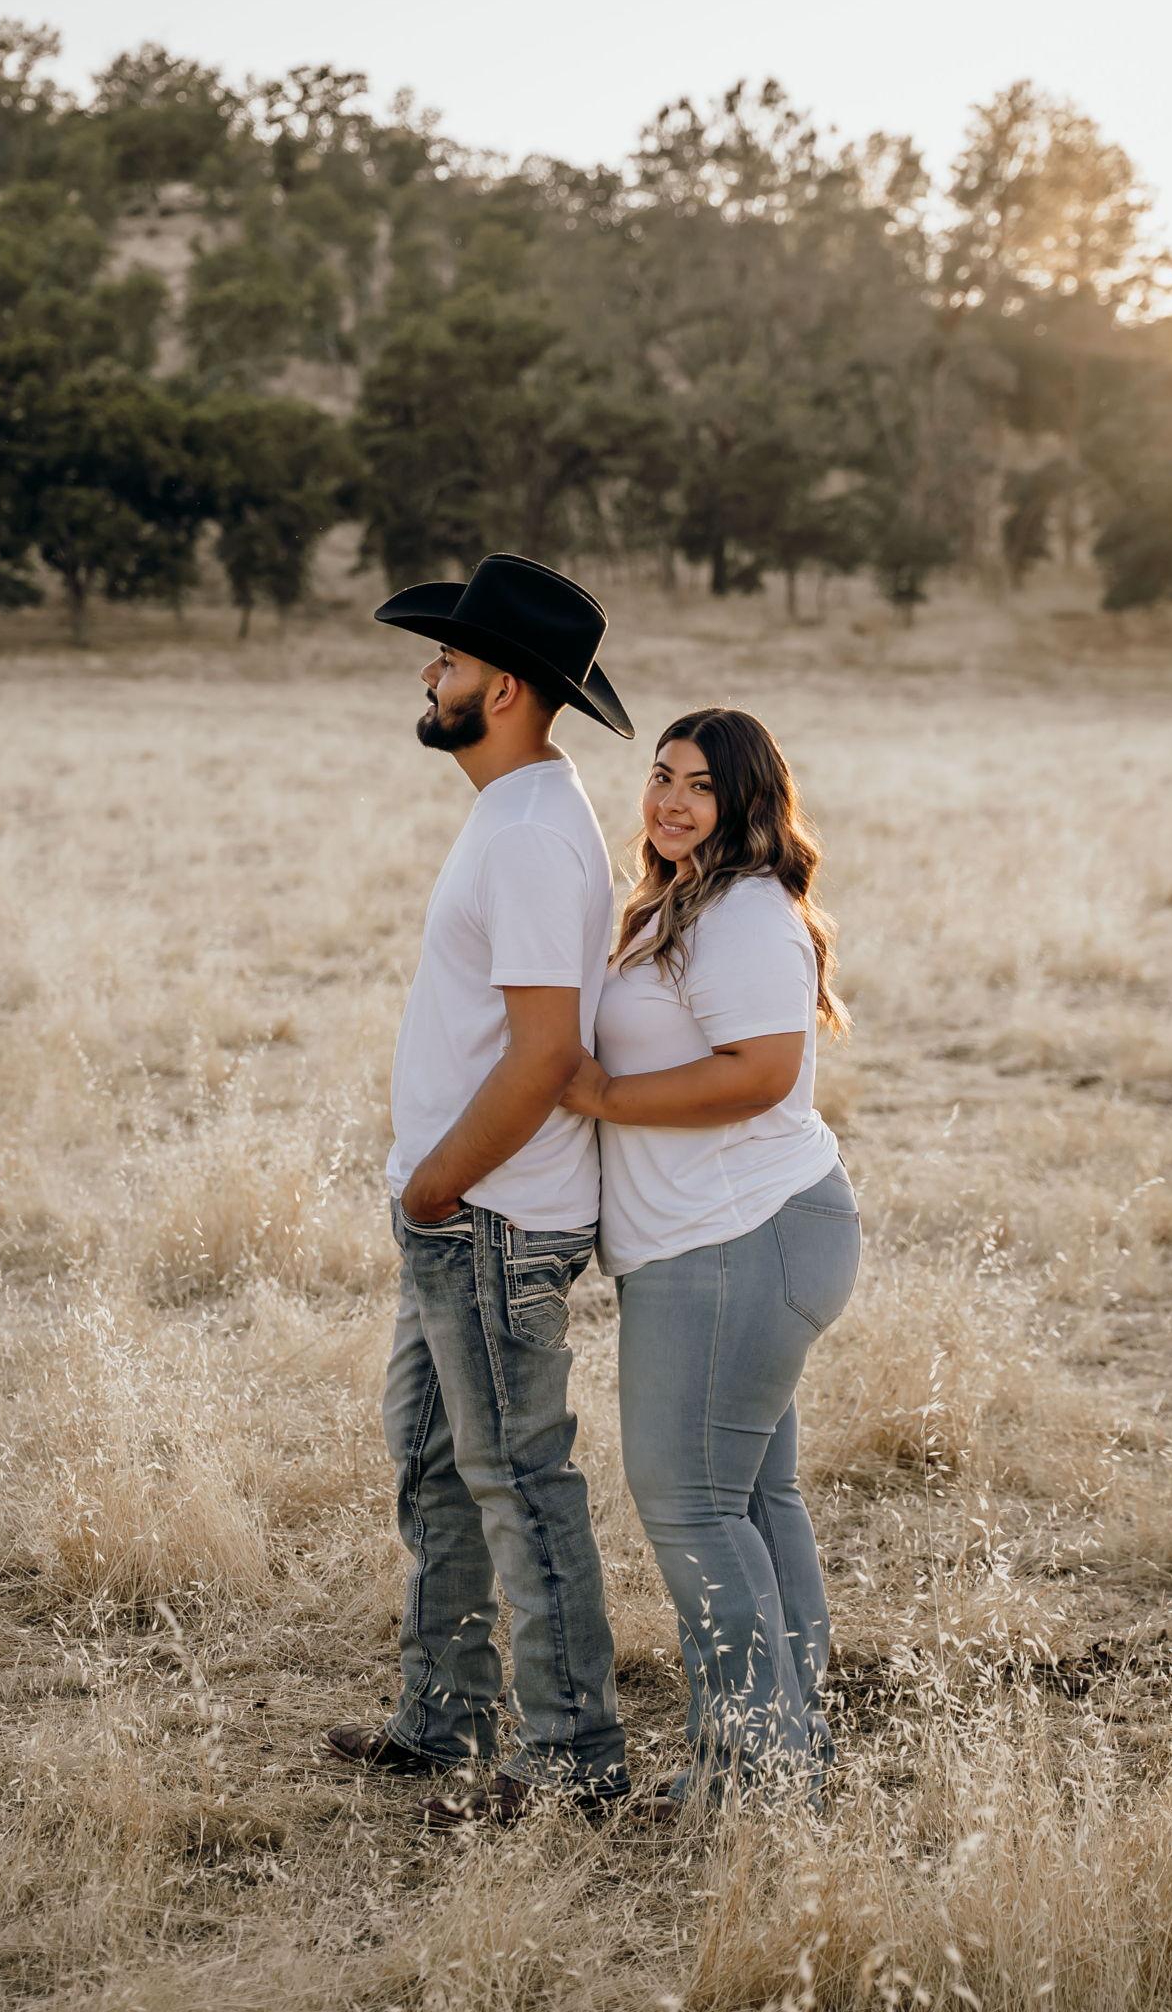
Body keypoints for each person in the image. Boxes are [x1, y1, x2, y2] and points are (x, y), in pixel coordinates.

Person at [323, 553, 636, 1829]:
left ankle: (575, 1758)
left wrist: (437, 1186)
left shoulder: (529, 835)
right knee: (435, 1471)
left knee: (515, 1480)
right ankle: (441, 1716)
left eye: (447, 658)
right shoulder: (516, 809)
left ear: (500, 687)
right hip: (462, 1213)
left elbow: (544, 1054)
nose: (428, 672)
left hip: (491, 1217)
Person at [561, 706, 860, 1809]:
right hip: (722, 1239)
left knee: (690, 1502)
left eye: (700, 785)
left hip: (738, 1237)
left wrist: (601, 1094)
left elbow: (759, 1072)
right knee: (753, 1500)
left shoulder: (741, 910)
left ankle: (753, 1769)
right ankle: (786, 1749)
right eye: (661, 776)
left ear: (746, 802)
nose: (672, 801)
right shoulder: (679, 900)